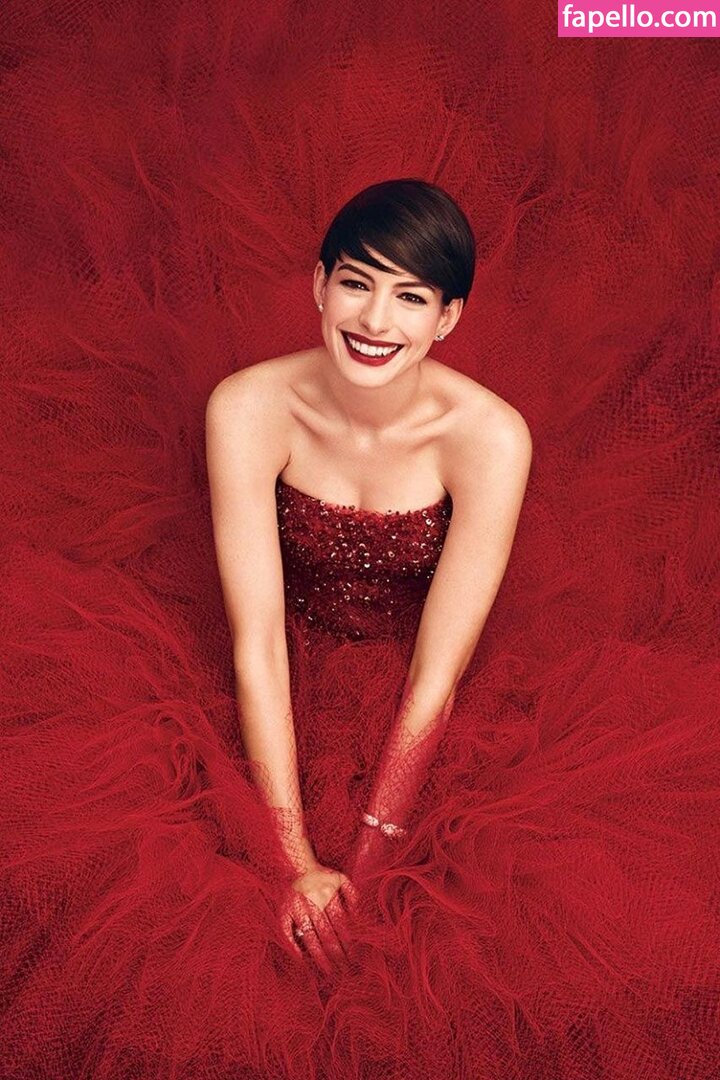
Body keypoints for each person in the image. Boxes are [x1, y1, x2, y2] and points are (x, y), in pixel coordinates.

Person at [204, 177, 533, 976]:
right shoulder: (246, 407)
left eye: (410, 297)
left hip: (415, 682)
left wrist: (370, 863)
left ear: (447, 317)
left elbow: (435, 676)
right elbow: (257, 644)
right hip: (282, 663)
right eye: (357, 283)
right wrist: (292, 862)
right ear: (320, 285)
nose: (376, 322)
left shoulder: (491, 437)